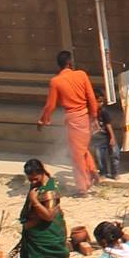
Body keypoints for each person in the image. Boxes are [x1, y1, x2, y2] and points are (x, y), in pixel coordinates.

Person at [38, 49, 102, 194]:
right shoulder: (82, 75)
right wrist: (94, 117)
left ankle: (82, 186)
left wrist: (43, 120)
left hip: (73, 118)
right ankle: (92, 173)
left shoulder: (55, 81)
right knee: (81, 149)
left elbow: (50, 105)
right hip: (84, 117)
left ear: (58, 65)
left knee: (76, 154)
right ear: (70, 63)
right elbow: (91, 98)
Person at [15, 158, 69, 258]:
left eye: (35, 179)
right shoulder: (37, 186)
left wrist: (34, 201)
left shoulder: (49, 190)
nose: (32, 183)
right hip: (34, 236)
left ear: (41, 173)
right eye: (30, 180)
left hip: (47, 235)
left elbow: (49, 216)